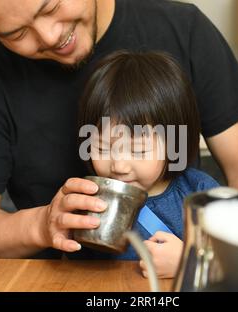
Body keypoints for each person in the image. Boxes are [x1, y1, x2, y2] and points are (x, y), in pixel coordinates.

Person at [0, 0, 238, 258]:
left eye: (52, 6)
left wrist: (207, 259)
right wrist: (41, 226)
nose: (51, 36)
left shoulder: (182, 29)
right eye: (17, 34)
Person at [74, 50, 219, 278]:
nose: (119, 165)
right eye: (102, 147)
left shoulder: (200, 194)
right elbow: (68, 272)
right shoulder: (87, 198)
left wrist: (188, 262)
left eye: (139, 150)